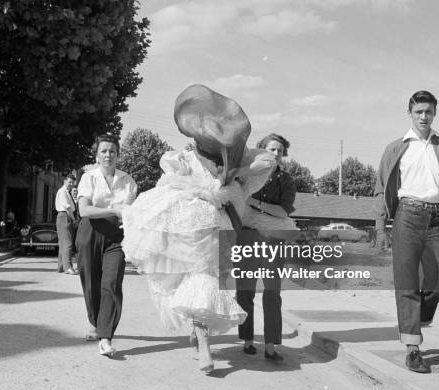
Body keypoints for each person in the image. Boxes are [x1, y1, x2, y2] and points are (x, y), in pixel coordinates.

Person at [122, 84, 276, 373]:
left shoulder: (232, 161)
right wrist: (202, 191)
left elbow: (268, 161)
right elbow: (166, 188)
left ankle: (199, 332)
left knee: (204, 283)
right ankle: (204, 344)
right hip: (189, 237)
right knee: (198, 283)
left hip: (220, 235)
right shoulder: (183, 159)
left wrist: (235, 173)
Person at [374, 90, 439, 373]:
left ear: (435, 114)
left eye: (428, 112)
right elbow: (381, 190)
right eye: (419, 112)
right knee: (406, 282)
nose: (424, 116)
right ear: (410, 113)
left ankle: (421, 312)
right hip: (406, 216)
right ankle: (413, 349)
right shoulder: (396, 148)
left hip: (438, 218)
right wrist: (381, 228)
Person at [236, 133, 297, 362]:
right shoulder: (246, 175)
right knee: (245, 289)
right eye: (272, 149)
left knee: (272, 291)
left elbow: (282, 212)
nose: (277, 153)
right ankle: (248, 339)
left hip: (273, 237)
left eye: (280, 150)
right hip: (247, 235)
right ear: (261, 150)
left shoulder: (286, 180)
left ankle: (270, 345)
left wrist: (253, 202)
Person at [75, 134, 137, 358]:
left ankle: (105, 337)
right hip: (90, 232)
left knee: (111, 283)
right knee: (90, 281)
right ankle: (95, 321)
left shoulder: (128, 181)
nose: (108, 155)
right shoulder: (88, 178)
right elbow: (84, 210)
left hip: (116, 237)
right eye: (104, 151)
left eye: (112, 151)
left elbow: (130, 214)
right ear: (97, 155)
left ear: (118, 154)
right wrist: (115, 210)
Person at [55, 175, 78, 274]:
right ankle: (68, 267)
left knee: (63, 244)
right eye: (69, 182)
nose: (71, 184)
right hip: (65, 216)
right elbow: (68, 207)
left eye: (73, 182)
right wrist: (74, 220)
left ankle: (61, 267)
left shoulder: (66, 192)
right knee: (67, 243)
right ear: (64, 181)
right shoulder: (63, 192)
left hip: (64, 217)